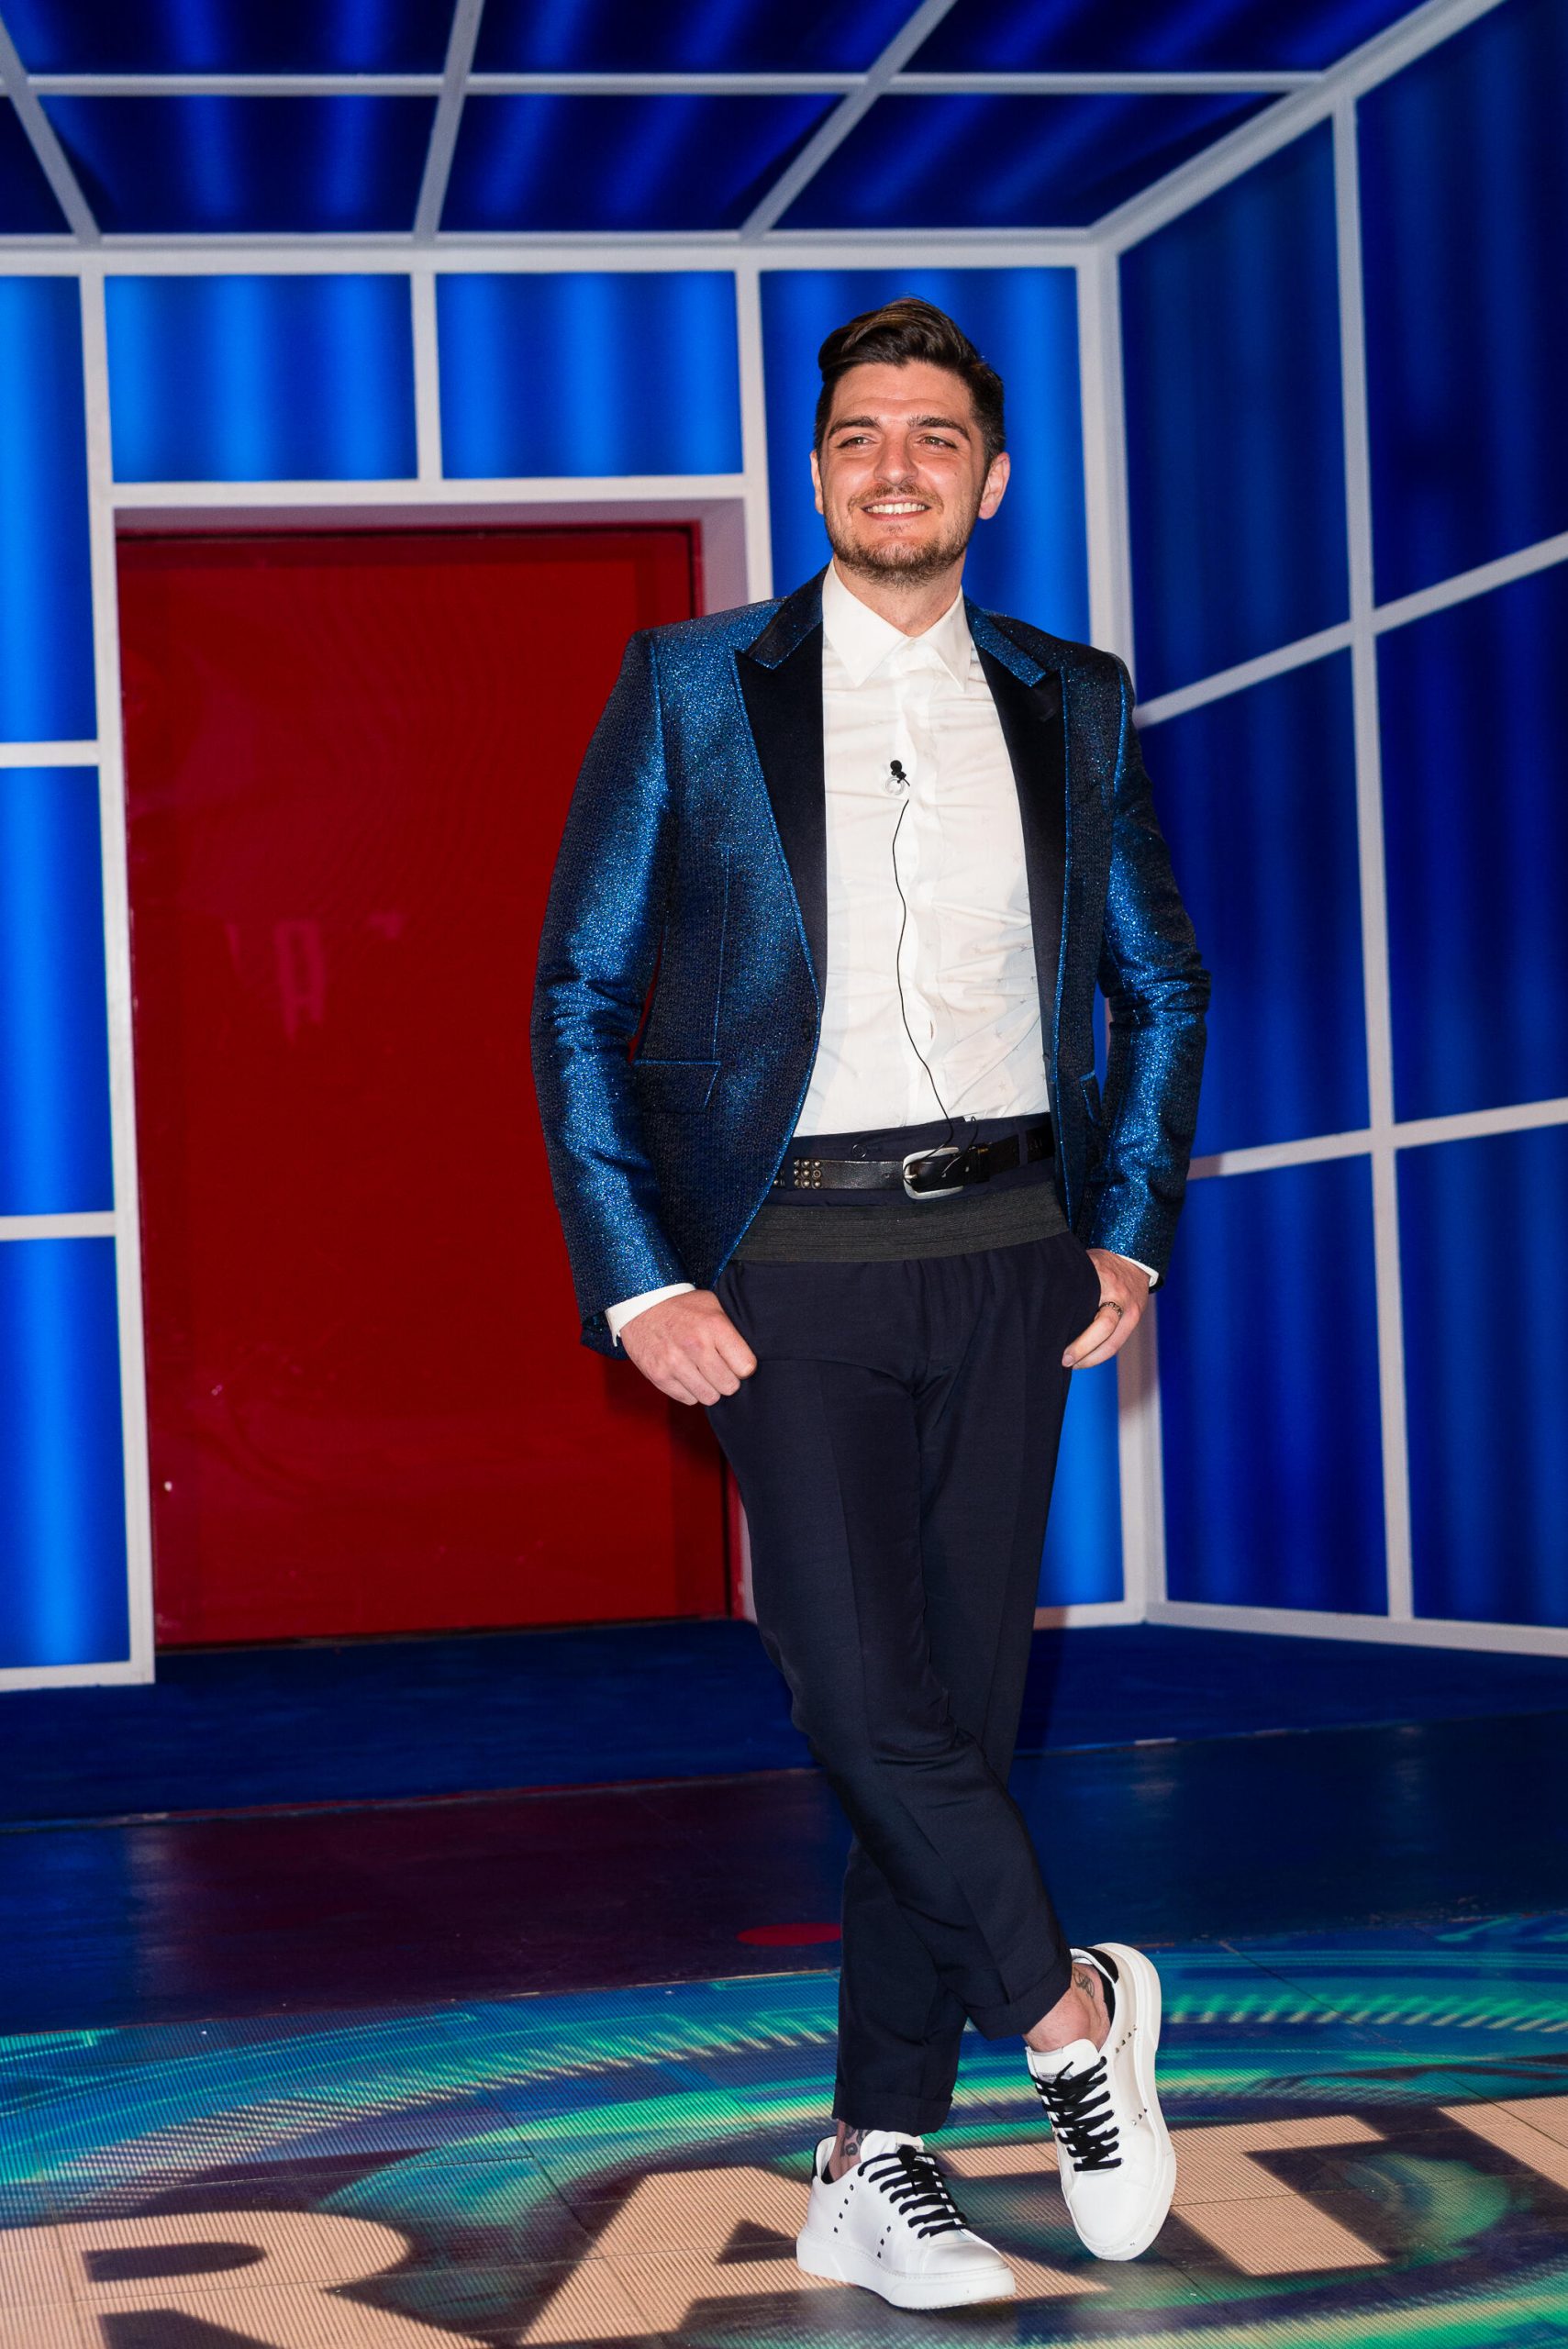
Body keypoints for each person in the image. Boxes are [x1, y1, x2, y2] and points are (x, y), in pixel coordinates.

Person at [532, 296, 1207, 2310]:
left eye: (930, 437)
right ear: (816, 474)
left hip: (1009, 1258)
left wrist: (1128, 1227)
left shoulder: (1074, 696)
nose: (892, 465)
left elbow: (1159, 983)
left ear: (989, 482)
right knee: (854, 1694)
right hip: (787, 1268)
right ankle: (1072, 2014)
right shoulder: (691, 686)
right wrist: (637, 1271)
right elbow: (580, 990)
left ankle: (870, 2157)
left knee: (957, 1716)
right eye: (856, 436)